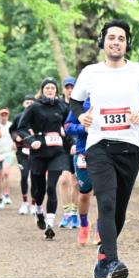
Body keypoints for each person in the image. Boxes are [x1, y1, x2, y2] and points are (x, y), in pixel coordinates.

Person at [70, 20, 139, 278]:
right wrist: (82, 116)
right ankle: (113, 261)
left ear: (127, 43)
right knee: (107, 202)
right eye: (111, 37)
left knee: (119, 211)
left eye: (121, 38)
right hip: (99, 146)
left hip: (130, 148)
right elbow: (75, 100)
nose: (116, 42)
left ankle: (103, 257)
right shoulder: (90, 72)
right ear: (103, 41)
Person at [17, 77, 70, 239]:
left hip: (57, 152)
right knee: (38, 189)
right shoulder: (34, 107)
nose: (50, 90)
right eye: (47, 88)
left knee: (51, 186)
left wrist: (71, 140)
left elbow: (69, 125)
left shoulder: (62, 106)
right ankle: (39, 211)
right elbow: (21, 128)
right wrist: (31, 141)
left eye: (53, 88)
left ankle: (50, 223)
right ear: (42, 90)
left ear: (56, 90)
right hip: (39, 151)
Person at [64, 97, 96, 246]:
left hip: (105, 153)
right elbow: (68, 126)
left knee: (105, 194)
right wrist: (83, 127)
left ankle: (102, 228)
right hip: (83, 152)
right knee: (84, 195)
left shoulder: (112, 98)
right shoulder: (82, 104)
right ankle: (84, 225)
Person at [59, 76, 81, 229]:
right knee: (64, 181)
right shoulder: (59, 105)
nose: (69, 90)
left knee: (75, 182)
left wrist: (76, 142)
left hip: (77, 147)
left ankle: (74, 214)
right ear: (63, 90)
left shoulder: (79, 105)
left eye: (72, 87)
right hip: (62, 148)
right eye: (67, 87)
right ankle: (66, 213)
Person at [10, 95, 35, 215]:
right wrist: (16, 137)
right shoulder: (18, 117)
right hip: (22, 152)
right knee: (24, 176)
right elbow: (12, 130)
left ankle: (34, 204)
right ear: (23, 104)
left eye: (31, 102)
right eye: (27, 102)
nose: (29, 104)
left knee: (36, 177)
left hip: (36, 152)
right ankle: (25, 203)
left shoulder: (38, 117)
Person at [0, 107, 16, 208]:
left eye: (6, 114)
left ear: (8, 115)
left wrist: (15, 143)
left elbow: (16, 135)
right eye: (2, 114)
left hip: (8, 153)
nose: (4, 116)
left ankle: (6, 195)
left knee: (5, 173)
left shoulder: (11, 125)